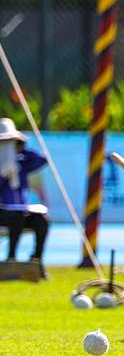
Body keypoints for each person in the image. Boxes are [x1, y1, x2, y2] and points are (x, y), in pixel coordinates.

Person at [0, 118, 49, 278]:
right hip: (3, 212)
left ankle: (36, 260)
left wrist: (22, 148)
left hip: (19, 209)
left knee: (42, 220)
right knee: (16, 218)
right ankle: (11, 259)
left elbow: (42, 160)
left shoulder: (21, 163)